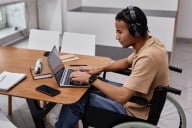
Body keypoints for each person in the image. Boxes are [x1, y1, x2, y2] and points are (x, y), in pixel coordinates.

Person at [55, 6, 169, 128]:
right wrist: (98, 69)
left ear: (136, 31)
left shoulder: (148, 57)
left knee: (76, 100)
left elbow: (122, 97)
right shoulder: (150, 43)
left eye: (120, 32)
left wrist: (90, 79)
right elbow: (126, 62)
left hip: (133, 111)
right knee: (86, 87)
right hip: (136, 99)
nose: (116, 37)